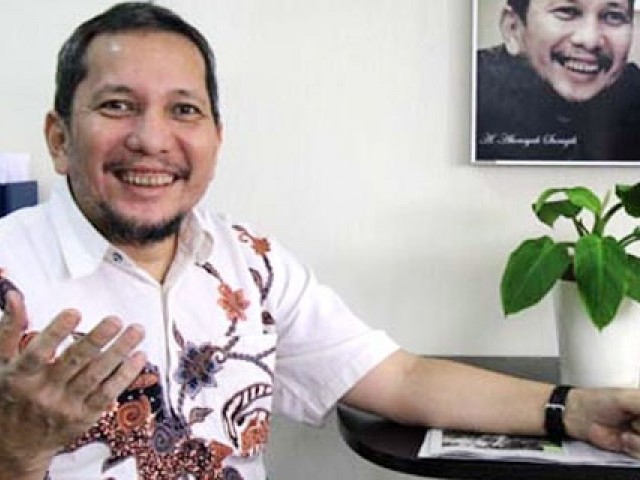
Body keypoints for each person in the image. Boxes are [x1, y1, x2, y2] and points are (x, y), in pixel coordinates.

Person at [2, 2, 640, 479]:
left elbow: (400, 379)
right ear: (59, 138)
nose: (151, 138)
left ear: (216, 139)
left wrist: (576, 410)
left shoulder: (249, 263)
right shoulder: (11, 277)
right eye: (117, 106)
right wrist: (17, 451)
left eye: (184, 110)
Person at [475, 0, 640, 161]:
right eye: (567, 11)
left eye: (613, 16)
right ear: (513, 27)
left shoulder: (633, 92)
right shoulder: (471, 91)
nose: (590, 41)